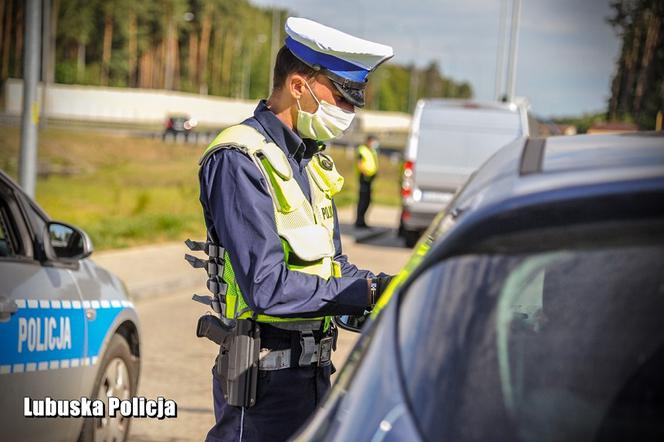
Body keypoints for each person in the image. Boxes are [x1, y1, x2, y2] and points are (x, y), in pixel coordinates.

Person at [197, 17, 394, 442]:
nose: (350, 112)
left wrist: (390, 290)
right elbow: (266, 286)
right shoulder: (240, 158)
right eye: (341, 97)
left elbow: (333, 267)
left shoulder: (308, 162)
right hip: (264, 385)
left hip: (314, 377)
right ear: (299, 86)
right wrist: (368, 293)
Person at [355, 135, 380, 228]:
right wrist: (365, 173)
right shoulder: (362, 150)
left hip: (369, 179)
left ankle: (363, 221)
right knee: (363, 201)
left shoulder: (371, 151)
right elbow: (360, 163)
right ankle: (359, 221)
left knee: (367, 200)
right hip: (364, 178)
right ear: (368, 141)